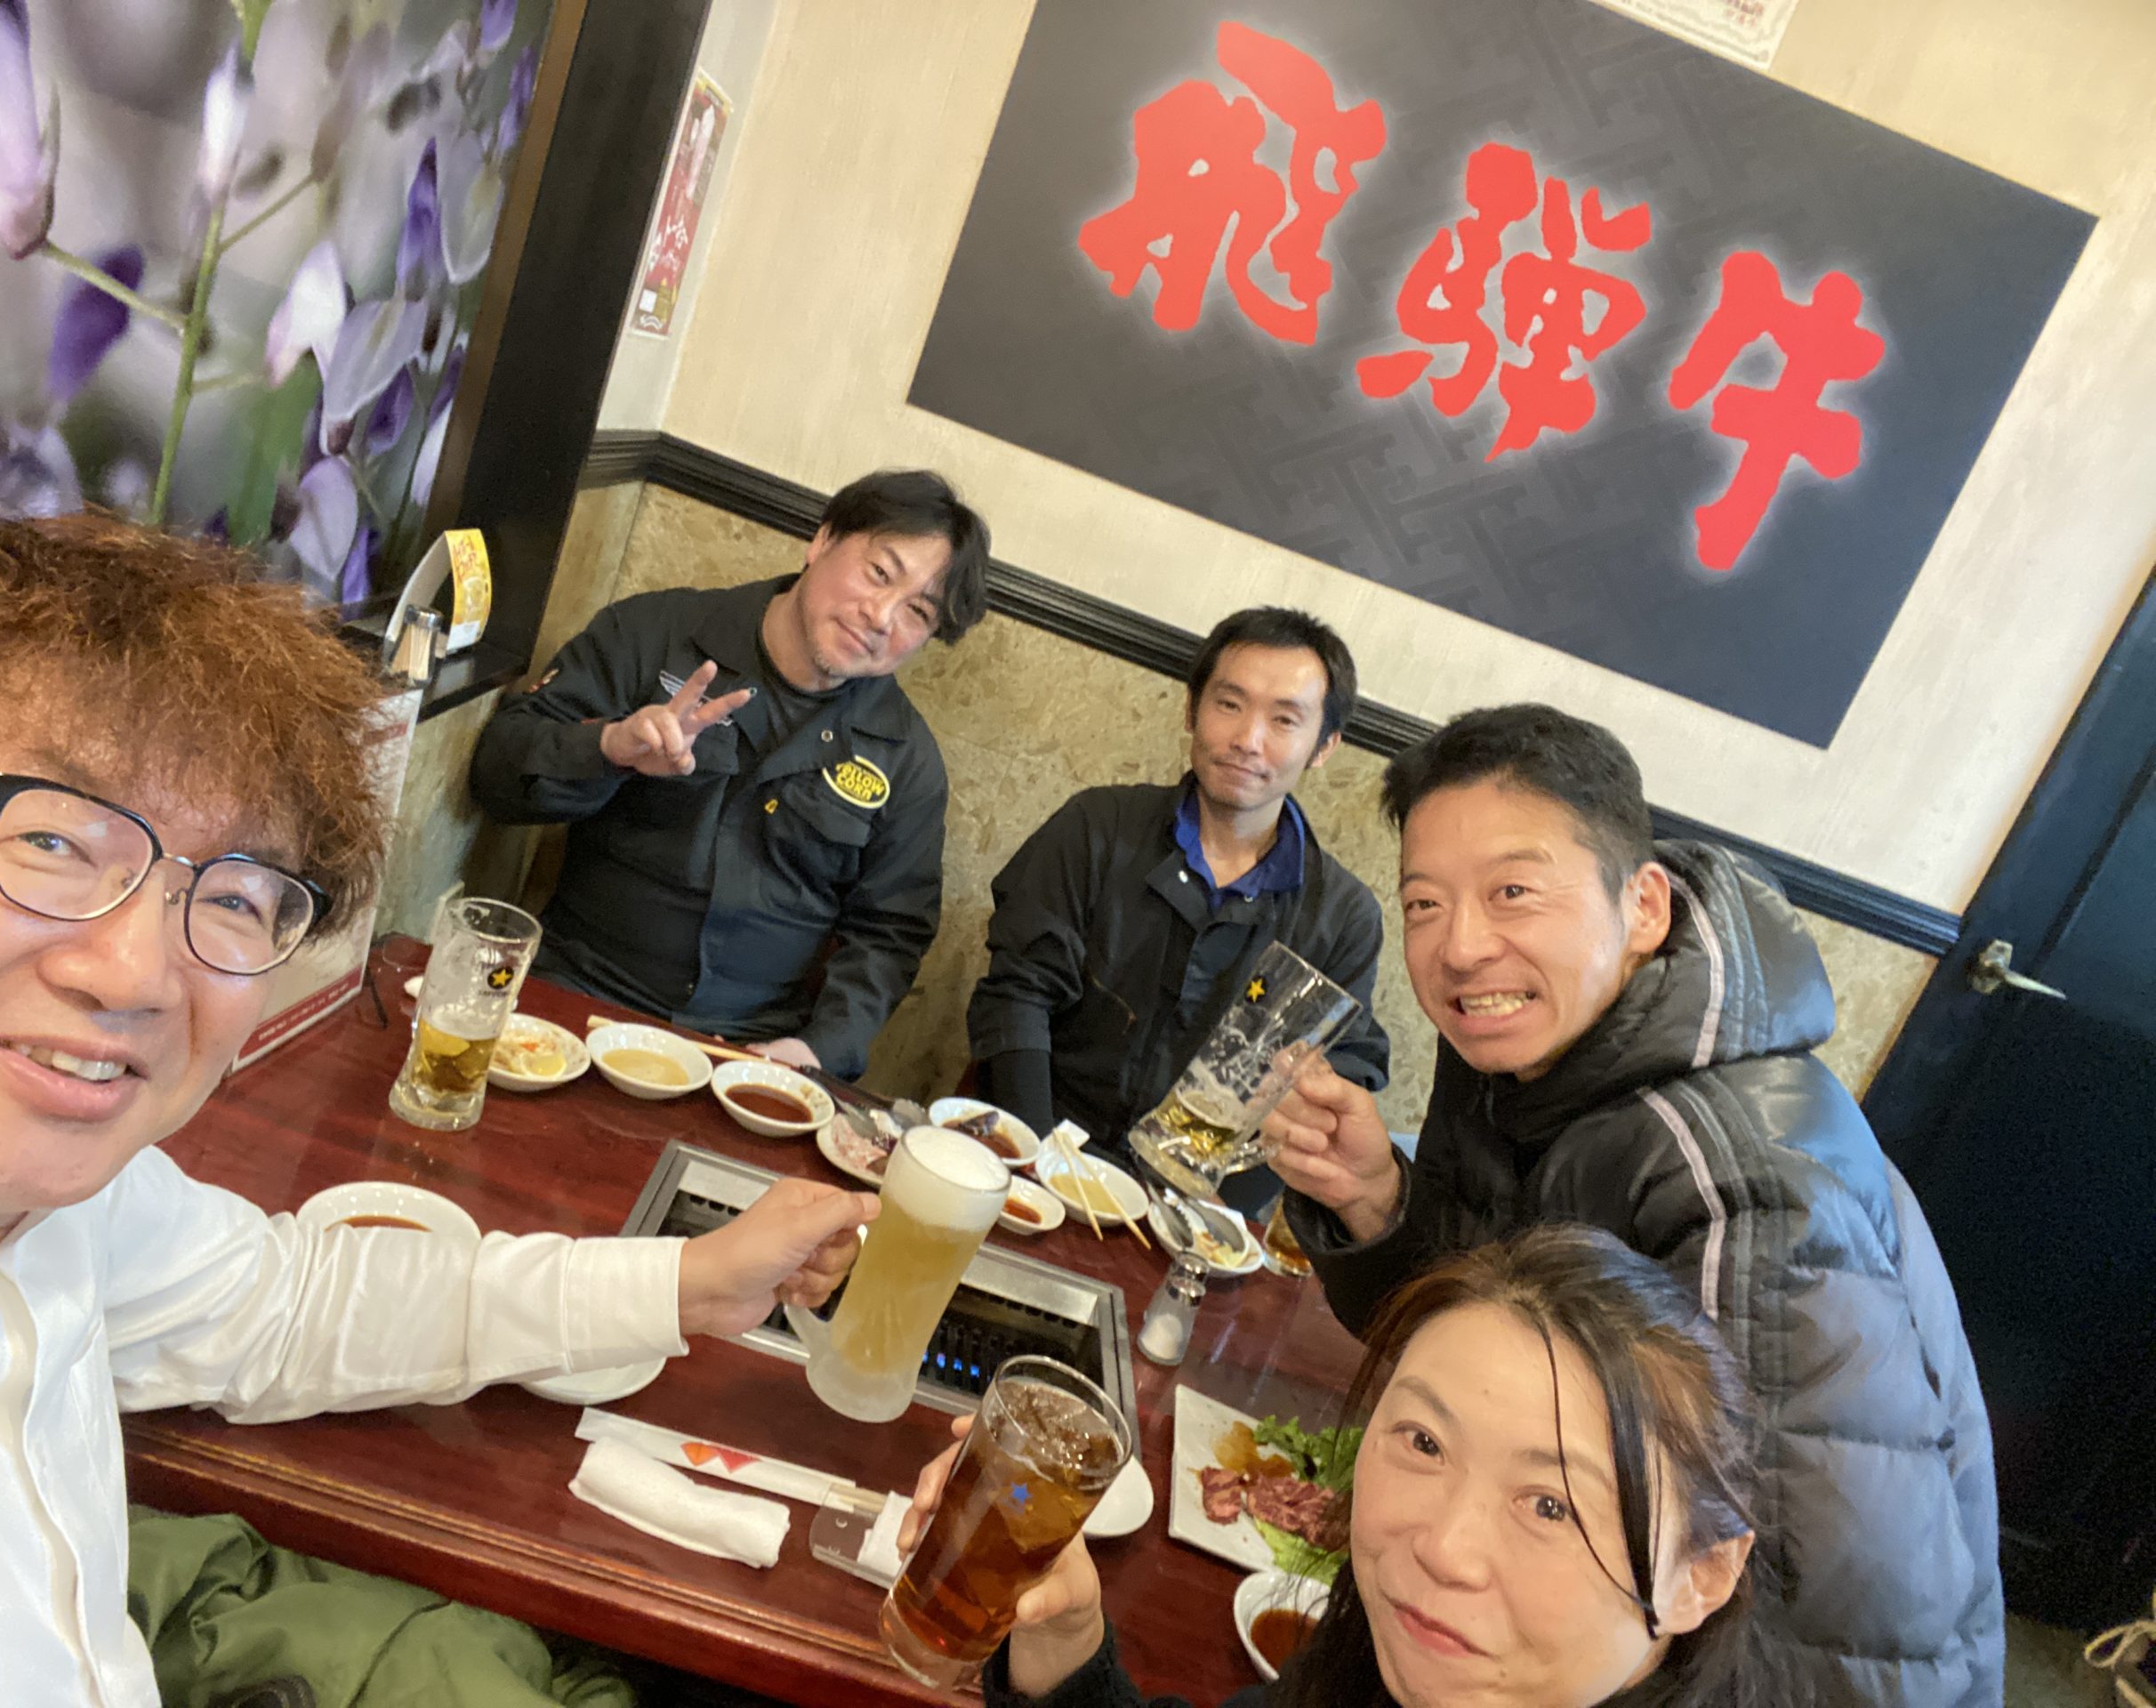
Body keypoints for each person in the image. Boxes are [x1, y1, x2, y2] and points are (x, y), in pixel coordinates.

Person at [0, 513, 876, 1705]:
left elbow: (279, 1302)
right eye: (51, 838)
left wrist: (692, 1284)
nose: (135, 973)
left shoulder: (57, 1202)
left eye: (235, 897)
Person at [1265, 704, 2001, 1704]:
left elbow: (1806, 1620)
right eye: (1426, 904)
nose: (1461, 947)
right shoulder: (1521, 1054)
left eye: (1513, 891)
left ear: (1644, 906)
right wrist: (1377, 1201)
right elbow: (1496, 1348)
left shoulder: (1746, 1189)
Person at [899, 1224, 1789, 1708]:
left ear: (1701, 1575)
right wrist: (1064, 1638)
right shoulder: (1367, 1674)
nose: (1442, 1548)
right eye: (1424, 1443)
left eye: (1550, 1505)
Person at [470, 469, 990, 1078]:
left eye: (918, 612)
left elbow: (890, 936)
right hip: (574, 998)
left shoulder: (907, 758)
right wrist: (609, 747)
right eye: (879, 573)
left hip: (748, 1052)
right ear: (823, 540)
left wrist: (819, 1049)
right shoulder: (655, 634)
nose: (881, 616)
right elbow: (496, 773)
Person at [966, 608, 1389, 1214]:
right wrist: (1039, 1162)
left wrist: (1210, 1213)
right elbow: (1018, 994)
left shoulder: (1343, 916)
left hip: (1194, 1202)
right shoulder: (1097, 827)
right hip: (1035, 1148)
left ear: (1324, 746)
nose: (1248, 739)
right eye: (1230, 704)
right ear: (1192, 709)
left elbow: (1329, 1085)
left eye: (1284, 720)